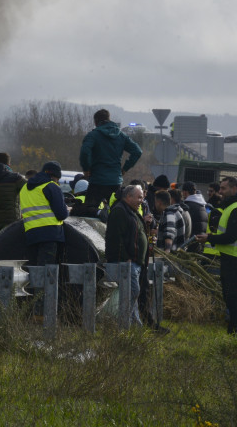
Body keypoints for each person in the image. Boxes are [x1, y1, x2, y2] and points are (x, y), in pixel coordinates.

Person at [195, 176, 237, 334]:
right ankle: (234, 330)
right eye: (220, 188)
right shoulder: (230, 207)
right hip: (229, 257)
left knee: (233, 296)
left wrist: (209, 238)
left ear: (234, 189)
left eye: (223, 188)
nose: (220, 191)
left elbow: (231, 236)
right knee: (228, 295)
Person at [20, 161, 69, 314]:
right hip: (50, 234)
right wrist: (67, 209)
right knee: (46, 272)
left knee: (34, 271)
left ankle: (32, 307)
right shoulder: (51, 186)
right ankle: (41, 311)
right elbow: (61, 214)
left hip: (31, 234)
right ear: (54, 176)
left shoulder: (24, 188)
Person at [79, 109, 143, 210]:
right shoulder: (121, 136)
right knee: (115, 213)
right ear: (109, 119)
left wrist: (86, 169)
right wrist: (125, 169)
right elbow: (137, 151)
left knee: (89, 213)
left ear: (96, 122)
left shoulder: (93, 135)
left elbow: (85, 151)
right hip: (115, 182)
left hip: (97, 181)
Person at [104, 184, 148, 325]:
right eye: (139, 197)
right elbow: (116, 238)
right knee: (132, 292)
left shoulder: (131, 210)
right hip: (126, 263)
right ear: (128, 197)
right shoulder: (120, 211)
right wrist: (125, 258)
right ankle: (123, 325)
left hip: (134, 263)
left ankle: (135, 325)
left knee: (133, 293)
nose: (142, 200)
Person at [181, 181, 209, 250]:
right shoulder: (202, 205)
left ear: (184, 192)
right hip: (201, 241)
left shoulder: (187, 206)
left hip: (190, 242)